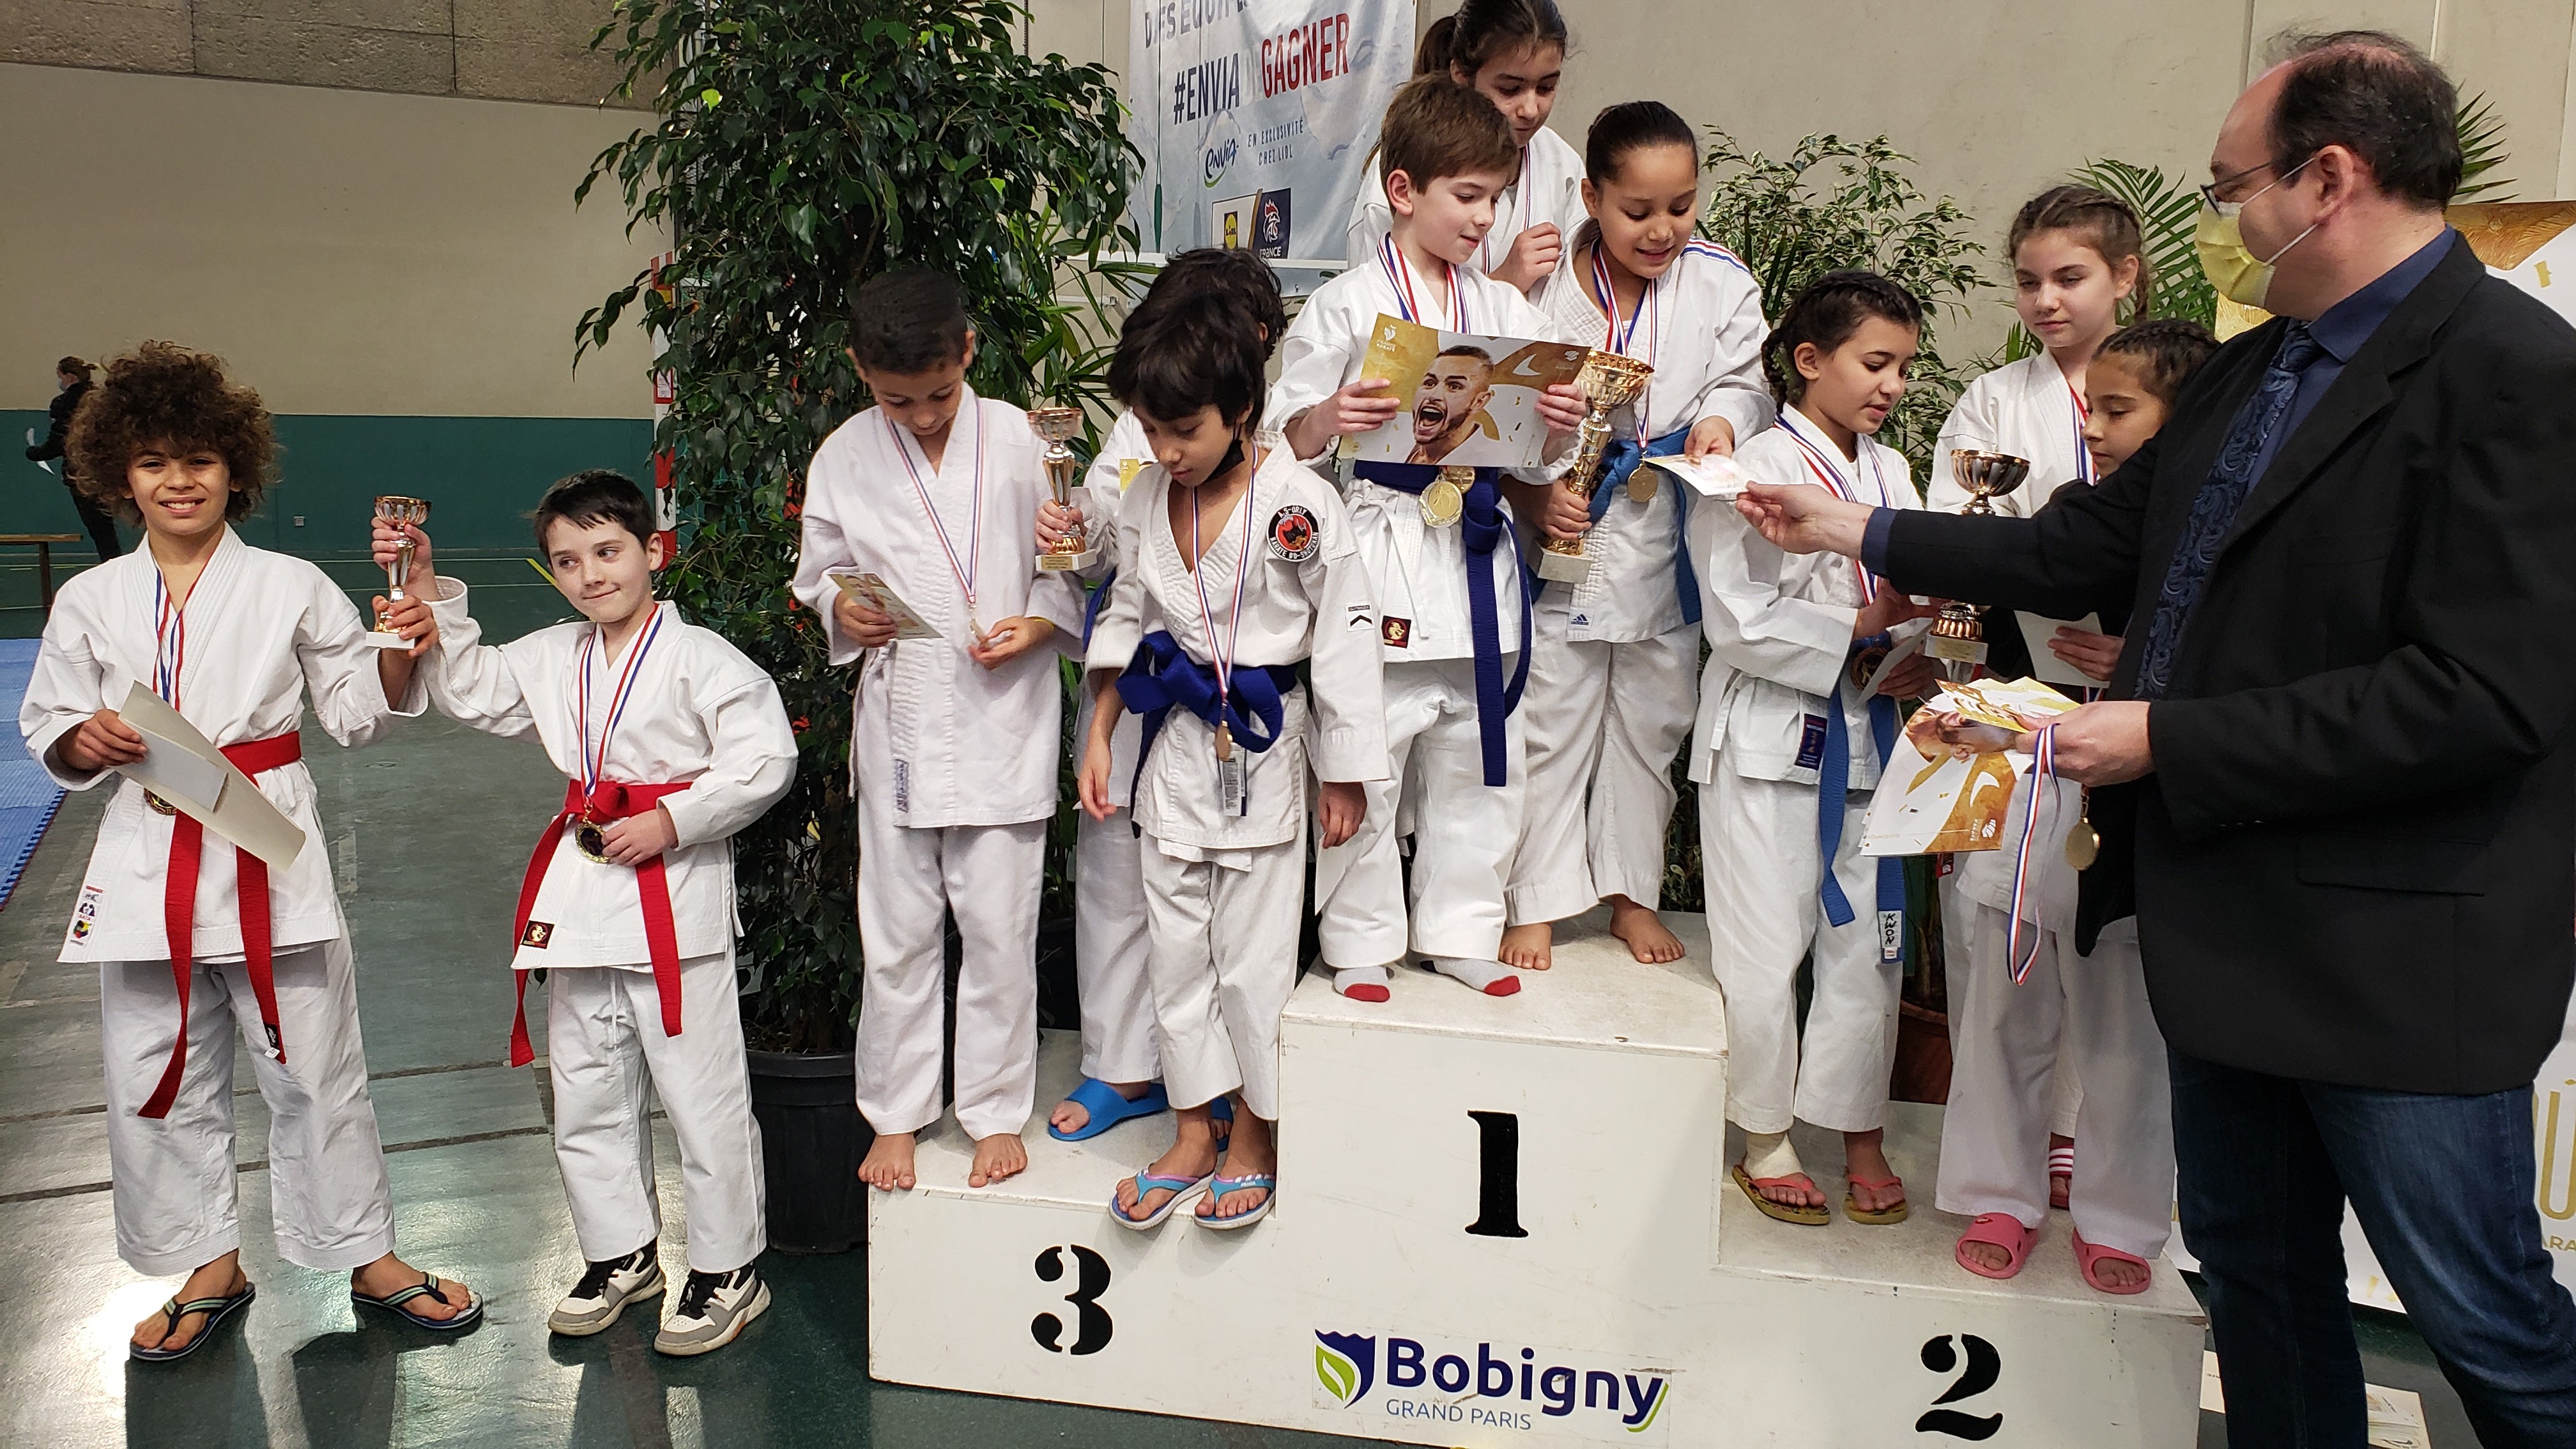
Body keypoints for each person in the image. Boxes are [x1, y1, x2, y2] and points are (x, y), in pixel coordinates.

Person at [1735, 31, 2576, 1441]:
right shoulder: (2254, 375)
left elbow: (2481, 696)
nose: (2219, 221)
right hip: (2228, 926)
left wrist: (2170, 740)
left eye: (2230, 189)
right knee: (2258, 1285)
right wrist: (1856, 525)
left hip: (2394, 956)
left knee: (2484, 1320)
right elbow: (2079, 546)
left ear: (2328, 180)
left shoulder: (2515, 375)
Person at [22, 342, 475, 1361]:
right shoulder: (92, 600)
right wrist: (83, 739)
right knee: (158, 1067)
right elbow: (50, 717)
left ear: (236, 468)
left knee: (315, 1062)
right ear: (120, 476)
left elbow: (357, 712)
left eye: (199, 459)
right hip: (149, 851)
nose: (178, 481)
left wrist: (402, 642)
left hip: (268, 842)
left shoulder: (290, 584)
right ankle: (207, 1263)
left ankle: (365, 1253)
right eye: (153, 462)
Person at [381, 471, 795, 1354]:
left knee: (701, 1095)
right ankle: (621, 1253)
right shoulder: (553, 654)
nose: (590, 575)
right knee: (586, 1087)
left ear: (653, 551)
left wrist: (673, 820)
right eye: (568, 562)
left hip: (671, 888)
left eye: (608, 552)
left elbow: (766, 760)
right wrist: (428, 587)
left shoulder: (706, 659)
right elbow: (474, 687)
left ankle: (730, 1268)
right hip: (581, 889)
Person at [1273, 75, 1586, 1002]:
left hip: (1479, 551)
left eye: (1495, 198)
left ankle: (1461, 927)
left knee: (1481, 756)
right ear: (1403, 190)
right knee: (1366, 753)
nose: (1485, 218)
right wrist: (1326, 416)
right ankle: (1359, 939)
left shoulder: (1511, 314)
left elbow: (1537, 465)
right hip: (1380, 544)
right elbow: (1284, 438)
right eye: (1468, 196)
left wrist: (1559, 428)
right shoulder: (1345, 303)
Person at [1078, 293, 1386, 1230]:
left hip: (1266, 735)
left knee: (1251, 963)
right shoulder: (1146, 495)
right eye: (1150, 430)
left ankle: (1253, 1134)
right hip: (1177, 742)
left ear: (1242, 410)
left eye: (1184, 431)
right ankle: (1190, 1129)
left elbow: (1346, 634)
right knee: (1175, 954)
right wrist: (1099, 730)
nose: (1167, 451)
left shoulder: (1300, 504)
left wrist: (1345, 768)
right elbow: (1128, 615)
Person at [792, 270, 1084, 1195]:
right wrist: (843, 608)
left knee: (1000, 932)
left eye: (939, 395)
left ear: (968, 352)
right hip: (905, 716)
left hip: (1004, 712)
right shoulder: (843, 454)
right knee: (898, 933)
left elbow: (1072, 560)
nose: (920, 417)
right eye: (897, 401)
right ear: (859, 370)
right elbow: (822, 569)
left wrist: (1040, 621)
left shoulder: (1027, 442)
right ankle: (897, 1112)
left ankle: (993, 1109)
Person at [1940, 317, 2214, 1296]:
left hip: (2137, 808)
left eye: (2117, 410)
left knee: (2126, 1032)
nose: (2091, 427)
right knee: (2001, 1009)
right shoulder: (2066, 516)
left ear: (2185, 420)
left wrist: (2143, 658)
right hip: (2031, 787)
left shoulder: (2221, 540)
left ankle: (2121, 1219)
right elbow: (1999, 645)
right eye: (2090, 407)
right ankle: (1996, 1196)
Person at [1689, 273, 1938, 1228]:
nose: (1893, 386)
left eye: (1904, 368)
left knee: (1869, 949)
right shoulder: (1744, 468)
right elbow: (1736, 618)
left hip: (1875, 731)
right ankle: (1764, 1135)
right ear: (1809, 360)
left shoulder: (1893, 470)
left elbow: (1914, 590)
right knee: (1765, 947)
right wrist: (1863, 630)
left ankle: (1857, 1128)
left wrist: (1915, 650)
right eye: (1876, 364)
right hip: (1768, 737)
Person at [1501, 100, 1772, 973]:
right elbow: (1497, 402)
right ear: (1591, 197)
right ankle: (1537, 900)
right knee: (1551, 720)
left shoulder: (1721, 281)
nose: (1663, 230)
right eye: (1638, 210)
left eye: (1681, 206)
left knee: (1653, 722)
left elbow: (1747, 381)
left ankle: (1631, 894)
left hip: (1668, 523)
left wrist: (1724, 420)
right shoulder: (1540, 280)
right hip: (1563, 513)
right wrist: (1531, 495)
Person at [1929, 185, 2148, 1216]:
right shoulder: (1994, 401)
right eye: (2028, 281)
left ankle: (2077, 1140)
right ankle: (1998, 1166)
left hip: (2134, 706)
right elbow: (1960, 533)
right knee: (1998, 933)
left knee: (2107, 947)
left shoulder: (2178, 388)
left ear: (2125, 277)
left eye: (2069, 277)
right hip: (2015, 686)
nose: (2046, 300)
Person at [1037, 249, 1287, 1146]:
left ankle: (1222, 1080)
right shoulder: (1137, 426)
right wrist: (1074, 532)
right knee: (1115, 871)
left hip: (1239, 696)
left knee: (1231, 910)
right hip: (1141, 673)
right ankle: (1123, 1064)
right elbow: (1108, 556)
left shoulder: (1286, 428)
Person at [1347, 0, 1581, 303]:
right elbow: (1380, 315)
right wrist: (1505, 282)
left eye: (1546, 88)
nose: (1530, 110)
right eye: (1510, 89)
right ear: (1461, 75)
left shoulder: (1562, 164)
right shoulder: (1408, 167)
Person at [25, 356, 122, 560]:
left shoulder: (64, 403)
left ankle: (112, 564)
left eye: (60, 376)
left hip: (81, 473)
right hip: (109, 468)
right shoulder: (103, 398)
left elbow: (59, 443)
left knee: (99, 528)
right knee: (108, 527)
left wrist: (34, 453)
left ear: (69, 377)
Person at [1404, 346, 1498, 464]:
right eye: (1429, 383)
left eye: (1454, 386)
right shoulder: (1392, 445)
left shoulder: (1497, 459)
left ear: (1479, 402)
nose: (1433, 395)